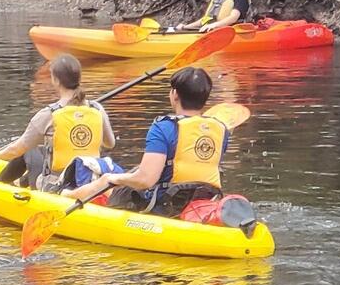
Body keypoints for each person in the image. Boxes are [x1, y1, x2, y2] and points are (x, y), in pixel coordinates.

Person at [63, 66, 230, 217]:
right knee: (124, 176)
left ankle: (63, 198)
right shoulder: (221, 130)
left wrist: (114, 179)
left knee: (107, 180)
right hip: (204, 197)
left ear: (175, 94)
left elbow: (145, 180)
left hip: (164, 203)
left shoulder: (163, 127)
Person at [0, 53, 118, 191]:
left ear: (56, 80)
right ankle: (19, 183)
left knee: (29, 149)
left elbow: (16, 150)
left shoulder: (48, 114)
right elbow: (110, 143)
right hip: (90, 181)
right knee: (41, 149)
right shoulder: (97, 108)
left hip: (56, 186)